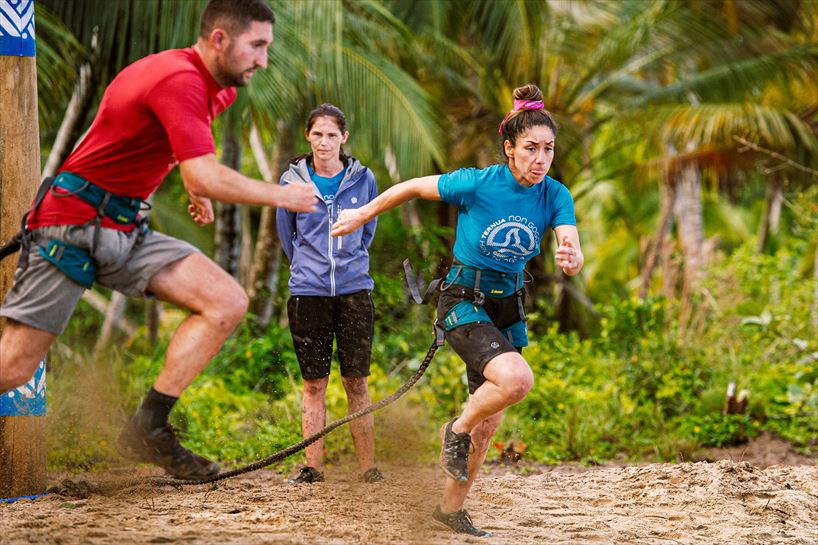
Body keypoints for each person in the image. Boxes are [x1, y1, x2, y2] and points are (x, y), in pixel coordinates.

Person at [0, 0, 317, 481]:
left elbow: (173, 148)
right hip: (71, 225)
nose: (263, 61)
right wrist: (282, 196)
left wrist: (195, 185)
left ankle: (148, 427)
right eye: (257, 46)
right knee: (14, 367)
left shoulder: (217, 91)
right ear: (219, 40)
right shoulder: (179, 79)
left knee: (225, 301)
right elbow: (205, 170)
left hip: (125, 228)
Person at [332, 84, 583, 536]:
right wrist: (360, 215)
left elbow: (570, 240)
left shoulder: (554, 194)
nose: (541, 158)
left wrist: (571, 254)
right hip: (464, 299)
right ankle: (455, 426)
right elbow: (410, 187)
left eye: (548, 149)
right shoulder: (479, 182)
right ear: (509, 148)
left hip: (509, 307)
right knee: (517, 381)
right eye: (530, 148)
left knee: (489, 426)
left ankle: (449, 509)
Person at [276, 104, 383, 485]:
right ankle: (312, 467)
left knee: (357, 381)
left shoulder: (363, 180)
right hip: (308, 294)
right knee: (314, 383)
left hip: (355, 292)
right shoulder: (291, 184)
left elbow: (367, 231)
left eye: (332, 135)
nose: (324, 142)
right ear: (308, 136)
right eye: (318, 134)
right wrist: (311, 269)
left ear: (344, 138)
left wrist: (349, 263)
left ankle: (368, 468)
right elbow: (287, 238)